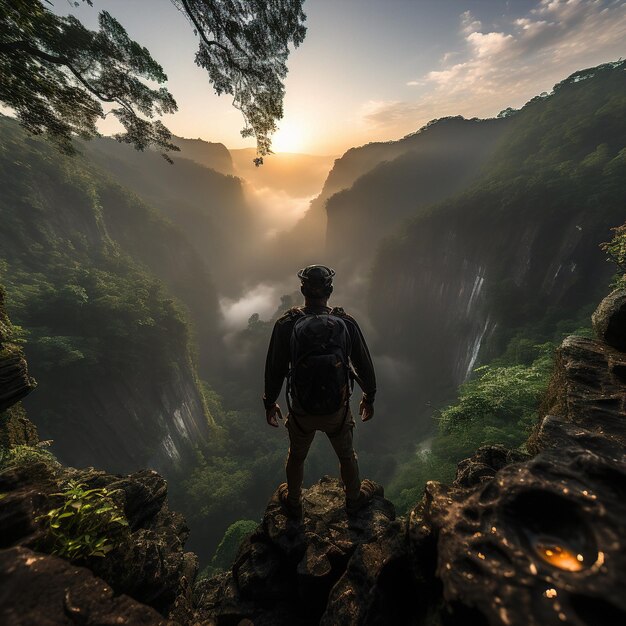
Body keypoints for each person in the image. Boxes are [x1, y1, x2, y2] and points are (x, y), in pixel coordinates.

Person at [263, 264, 378, 517]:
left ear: (302, 289)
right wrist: (369, 397)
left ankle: (293, 501)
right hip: (337, 408)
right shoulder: (345, 323)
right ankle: (354, 498)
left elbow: (275, 369)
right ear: (331, 290)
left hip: (302, 409)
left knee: (296, 455)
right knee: (347, 455)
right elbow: (364, 364)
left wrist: (270, 403)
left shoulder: (286, 324)